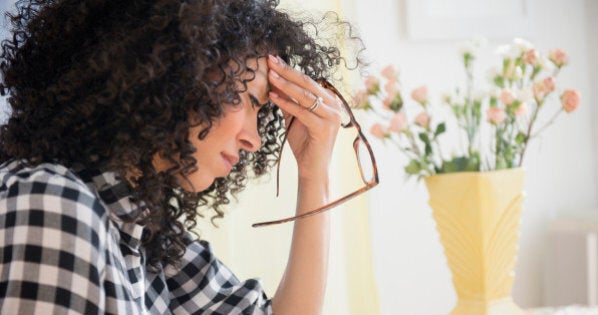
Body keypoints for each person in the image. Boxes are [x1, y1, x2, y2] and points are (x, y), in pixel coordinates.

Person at [0, 0, 363, 313]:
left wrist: (314, 174)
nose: (254, 139)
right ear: (177, 74)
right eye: (249, 101)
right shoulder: (54, 204)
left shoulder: (143, 231)